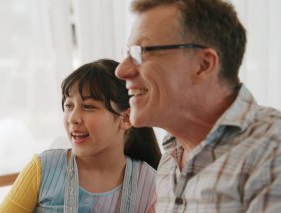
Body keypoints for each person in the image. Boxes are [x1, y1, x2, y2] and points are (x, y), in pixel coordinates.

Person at [115, 0, 281, 212]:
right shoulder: (169, 160)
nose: (121, 70)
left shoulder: (272, 152)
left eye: (143, 52)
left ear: (203, 65)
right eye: (128, 53)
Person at [0, 59, 162, 212]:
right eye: (69, 105)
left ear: (126, 118)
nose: (73, 118)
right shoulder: (42, 168)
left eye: (88, 106)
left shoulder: (151, 185)